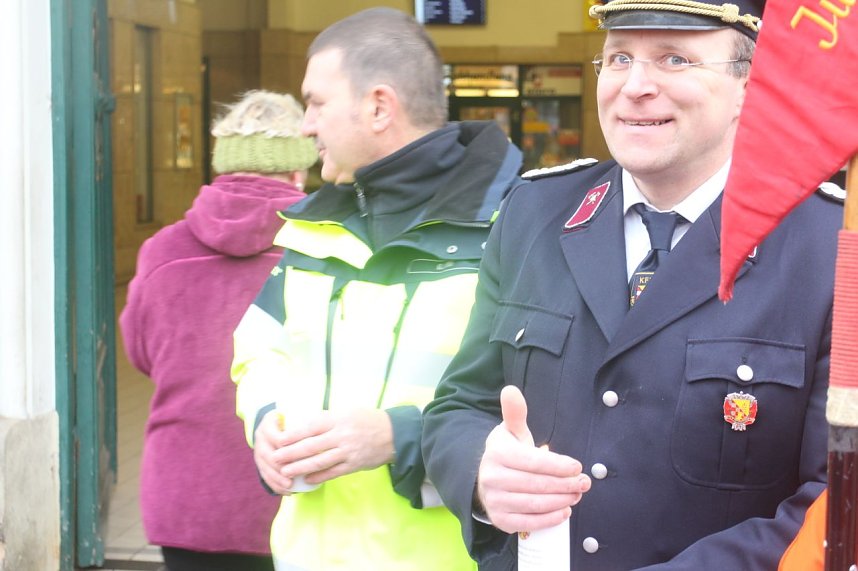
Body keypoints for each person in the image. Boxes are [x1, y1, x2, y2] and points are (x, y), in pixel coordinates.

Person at [422, 0, 842, 568]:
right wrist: (478, 468)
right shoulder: (534, 213)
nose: (635, 85)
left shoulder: (828, 245)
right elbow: (458, 404)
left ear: (751, 84)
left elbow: (836, 501)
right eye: (619, 57)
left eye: (674, 58)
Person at [229, 7, 523, 571]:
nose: (305, 126)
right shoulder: (313, 230)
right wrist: (265, 418)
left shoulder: (515, 227)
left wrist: (399, 438)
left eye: (316, 103)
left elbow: (550, 408)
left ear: (379, 106)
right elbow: (257, 349)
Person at [119, 90, 318, 571]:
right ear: (297, 170)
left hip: (185, 496)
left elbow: (141, 351)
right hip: (294, 497)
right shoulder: (326, 248)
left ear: (222, 169)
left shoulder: (161, 251)